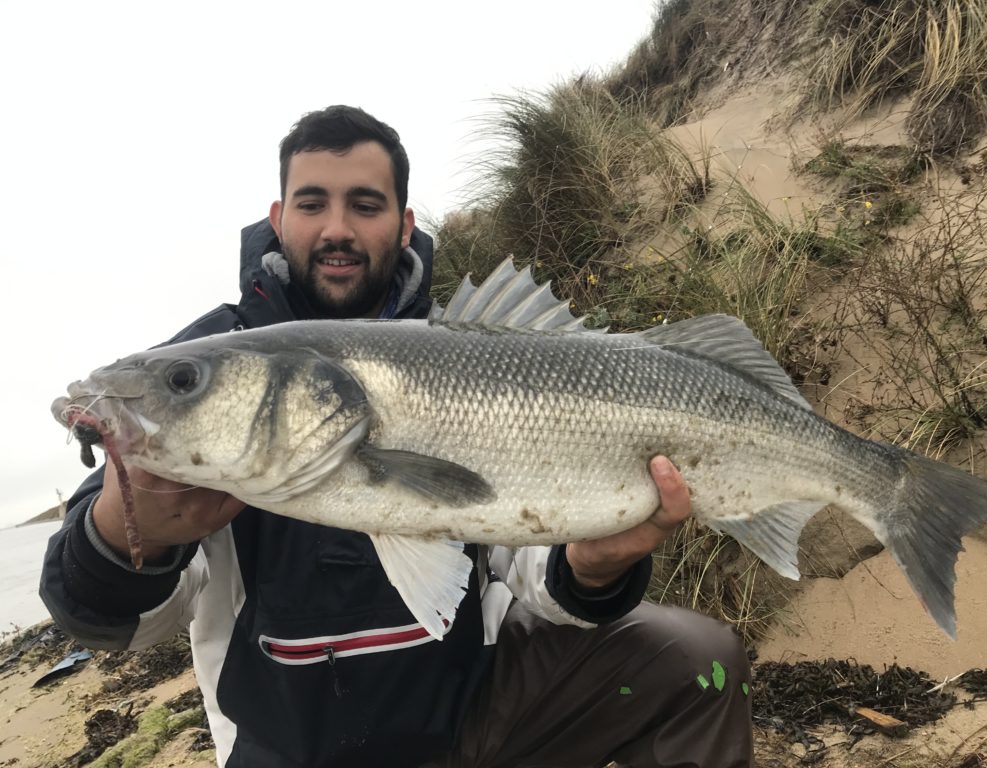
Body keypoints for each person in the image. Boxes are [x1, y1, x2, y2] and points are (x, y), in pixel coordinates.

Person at [41, 105, 754, 767]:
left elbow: (522, 572)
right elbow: (117, 624)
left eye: (366, 205)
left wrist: (591, 569)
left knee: (697, 658)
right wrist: (127, 532)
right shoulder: (210, 357)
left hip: (472, 721)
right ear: (278, 216)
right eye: (312, 202)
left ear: (405, 223)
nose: (337, 229)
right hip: (286, 751)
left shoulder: (480, 350)